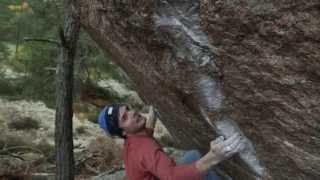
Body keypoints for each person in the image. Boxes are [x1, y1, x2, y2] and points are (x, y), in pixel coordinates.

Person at [98, 104, 244, 180]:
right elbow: (172, 176)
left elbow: (146, 133)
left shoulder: (132, 140)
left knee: (193, 155)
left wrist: (152, 114)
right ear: (123, 132)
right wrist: (213, 157)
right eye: (124, 117)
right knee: (201, 166)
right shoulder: (143, 149)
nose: (132, 113)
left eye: (128, 109)